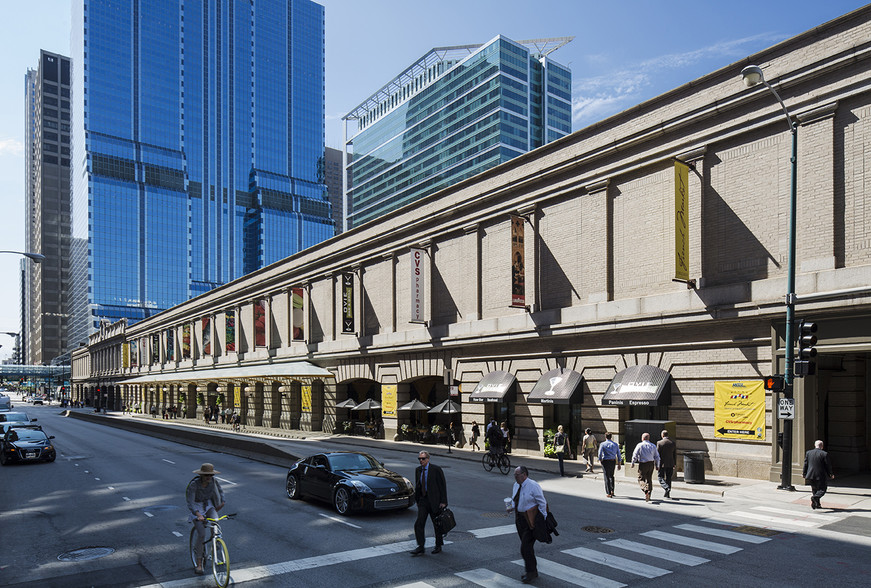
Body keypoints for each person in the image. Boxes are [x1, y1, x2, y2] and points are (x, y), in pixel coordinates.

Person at [186, 463, 226, 575]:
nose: (209, 477)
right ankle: (199, 563)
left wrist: (222, 502)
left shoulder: (213, 482)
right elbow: (190, 502)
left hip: (208, 505)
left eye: (211, 475)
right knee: (202, 534)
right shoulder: (194, 485)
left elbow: (220, 491)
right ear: (201, 475)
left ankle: (217, 541)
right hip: (197, 507)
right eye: (206, 475)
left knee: (215, 522)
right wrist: (198, 514)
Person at [510, 466, 548, 584]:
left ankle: (530, 572)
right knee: (527, 547)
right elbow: (514, 499)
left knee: (525, 548)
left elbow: (542, 502)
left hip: (530, 521)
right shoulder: (516, 485)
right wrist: (510, 507)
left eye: (517, 475)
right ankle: (533, 570)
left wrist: (542, 519)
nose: (515, 477)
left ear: (524, 474)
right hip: (519, 519)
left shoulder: (533, 485)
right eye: (514, 475)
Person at [410, 451, 448, 555]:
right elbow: (418, 485)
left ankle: (438, 545)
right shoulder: (418, 470)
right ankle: (421, 546)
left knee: (437, 524)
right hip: (423, 500)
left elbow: (442, 486)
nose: (421, 461)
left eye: (423, 459)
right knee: (419, 523)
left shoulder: (436, 469)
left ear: (428, 459)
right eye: (419, 459)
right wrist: (417, 500)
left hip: (434, 501)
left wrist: (443, 501)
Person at [803, 440, 835, 509]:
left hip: (810, 475)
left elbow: (805, 464)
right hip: (820, 475)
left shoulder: (808, 453)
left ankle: (817, 504)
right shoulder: (824, 454)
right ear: (822, 446)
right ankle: (815, 498)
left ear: (815, 445)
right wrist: (830, 474)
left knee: (814, 489)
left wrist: (804, 473)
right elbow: (827, 465)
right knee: (822, 489)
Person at [631, 432, 660, 502]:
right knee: (649, 479)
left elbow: (635, 454)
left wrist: (633, 462)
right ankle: (649, 492)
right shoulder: (653, 446)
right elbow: (657, 456)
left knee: (641, 478)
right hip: (651, 463)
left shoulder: (640, 445)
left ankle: (645, 490)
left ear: (643, 438)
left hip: (643, 464)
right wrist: (657, 465)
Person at [598, 432, 622, 497]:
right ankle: (612, 490)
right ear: (611, 437)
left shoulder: (602, 444)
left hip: (605, 461)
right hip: (613, 461)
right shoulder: (615, 444)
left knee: (606, 476)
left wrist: (600, 460)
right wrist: (619, 464)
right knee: (611, 476)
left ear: (605, 437)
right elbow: (619, 455)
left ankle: (608, 492)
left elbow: (600, 453)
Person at [657, 430, 677, 499]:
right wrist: (674, 463)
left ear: (662, 435)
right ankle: (667, 493)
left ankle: (666, 487)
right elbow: (674, 454)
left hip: (662, 464)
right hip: (670, 463)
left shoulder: (659, 443)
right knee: (668, 478)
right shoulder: (672, 443)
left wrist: (657, 464)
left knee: (660, 477)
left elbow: (657, 455)